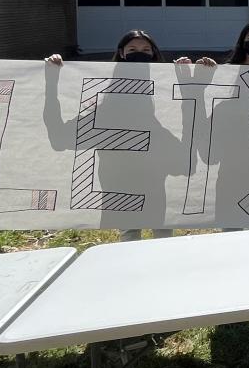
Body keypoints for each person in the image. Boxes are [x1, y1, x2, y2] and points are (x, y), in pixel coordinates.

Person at [47, 30, 184, 242]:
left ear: (154, 54)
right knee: (130, 234)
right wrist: (51, 80)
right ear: (121, 53)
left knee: (162, 233)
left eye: (146, 50)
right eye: (133, 49)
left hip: (152, 178)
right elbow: (60, 139)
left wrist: (188, 75)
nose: (139, 54)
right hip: (119, 179)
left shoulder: (163, 94)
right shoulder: (108, 107)